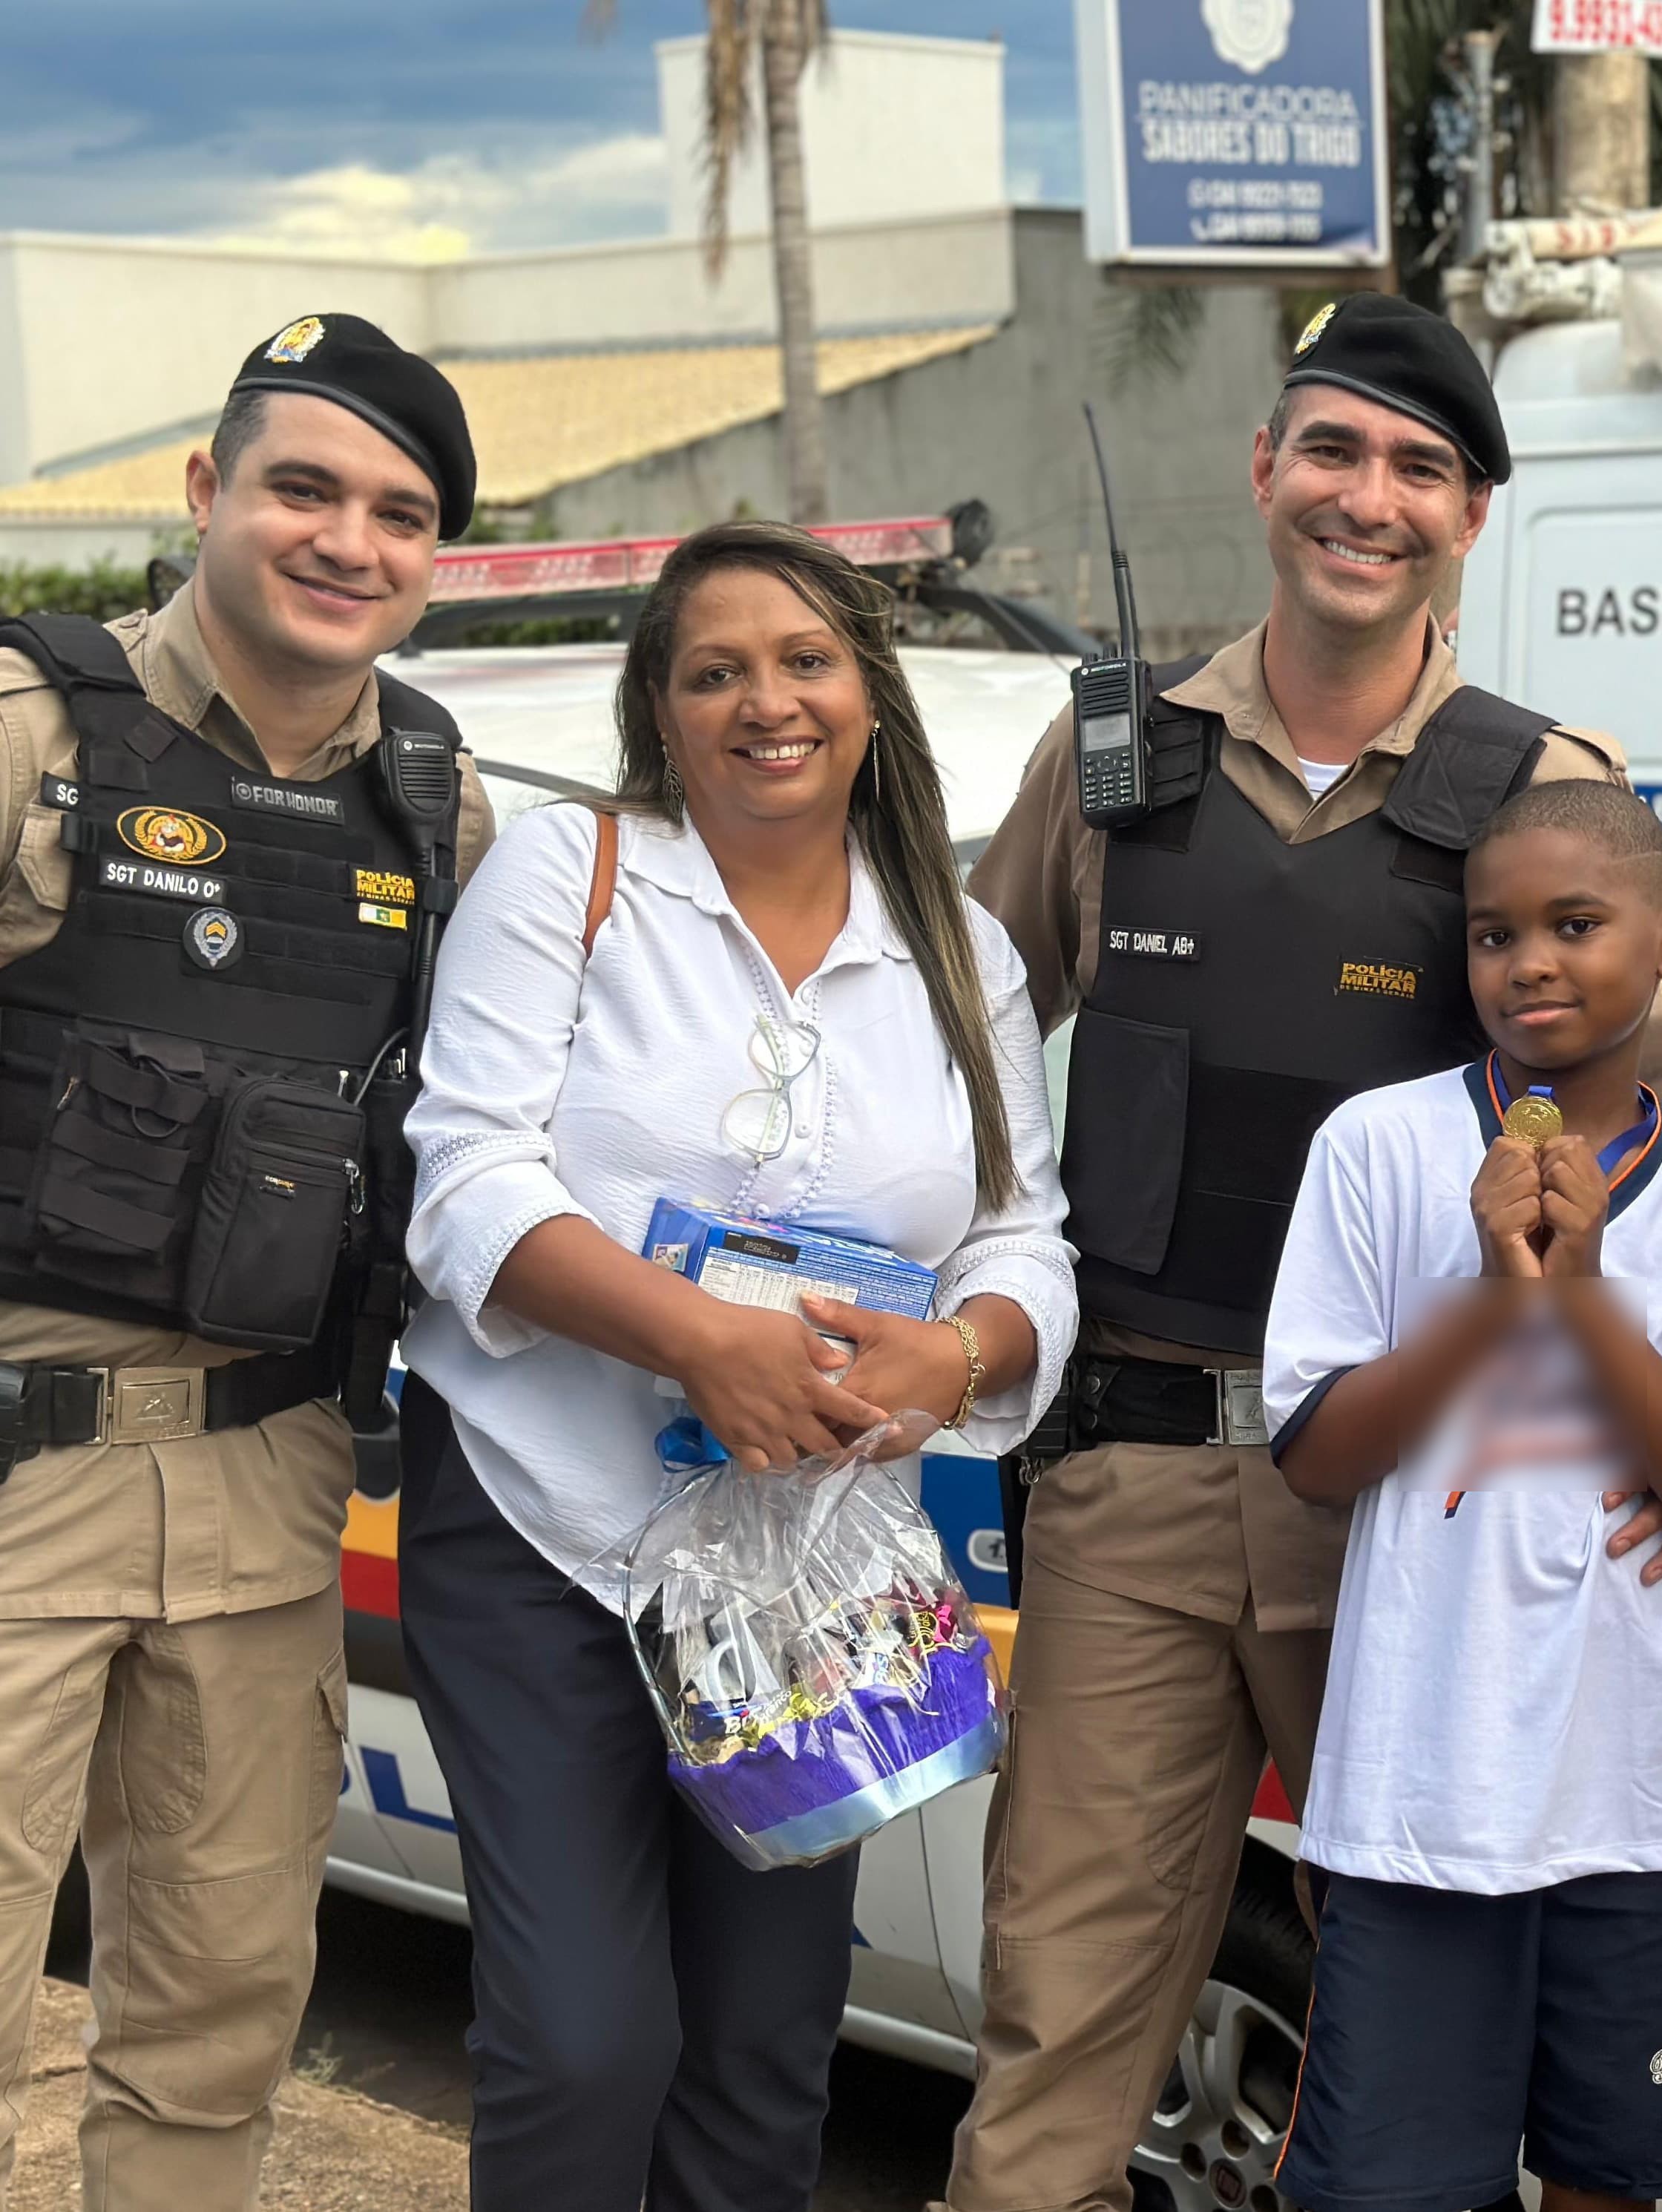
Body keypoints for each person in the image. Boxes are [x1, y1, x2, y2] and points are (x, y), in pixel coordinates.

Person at [946, 290, 1662, 2212]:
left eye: (1414, 465)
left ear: (1468, 513)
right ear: (1262, 469)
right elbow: (946, 1052)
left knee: (1461, 2037)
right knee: (1057, 2030)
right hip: (1129, 1480)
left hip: (1425, 1508)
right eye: (1329, 449)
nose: (1362, 498)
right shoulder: (1110, 753)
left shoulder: (1539, 778)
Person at [398, 519, 1077, 2212]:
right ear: (664, 708)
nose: (765, 701)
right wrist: (701, 1339)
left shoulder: (961, 950)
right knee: (581, 2041)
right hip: (543, 1536)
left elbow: (1018, 1238)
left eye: (805, 661)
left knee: (766, 2052)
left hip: (809, 1573)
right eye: (715, 671)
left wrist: (959, 1355)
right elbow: (467, 1173)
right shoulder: (575, 877)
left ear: (867, 693)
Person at [0, 312, 490, 2211]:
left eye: (399, 513)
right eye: (304, 487)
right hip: (20, 1469)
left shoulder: (444, 809)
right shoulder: (36, 734)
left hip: (271, 1490)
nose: (347, 542)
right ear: (207, 491)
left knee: (214, 2029)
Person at [1266, 779, 1662, 2212]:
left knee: (1615, 2171)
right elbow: (1317, 1452)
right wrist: (1487, 1304)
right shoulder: (1377, 1147)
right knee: (1389, 2187)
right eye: (1494, 935)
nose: (1531, 963)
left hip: (1642, 1789)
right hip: (1422, 1785)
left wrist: (1577, 1302)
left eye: (1576, 922)